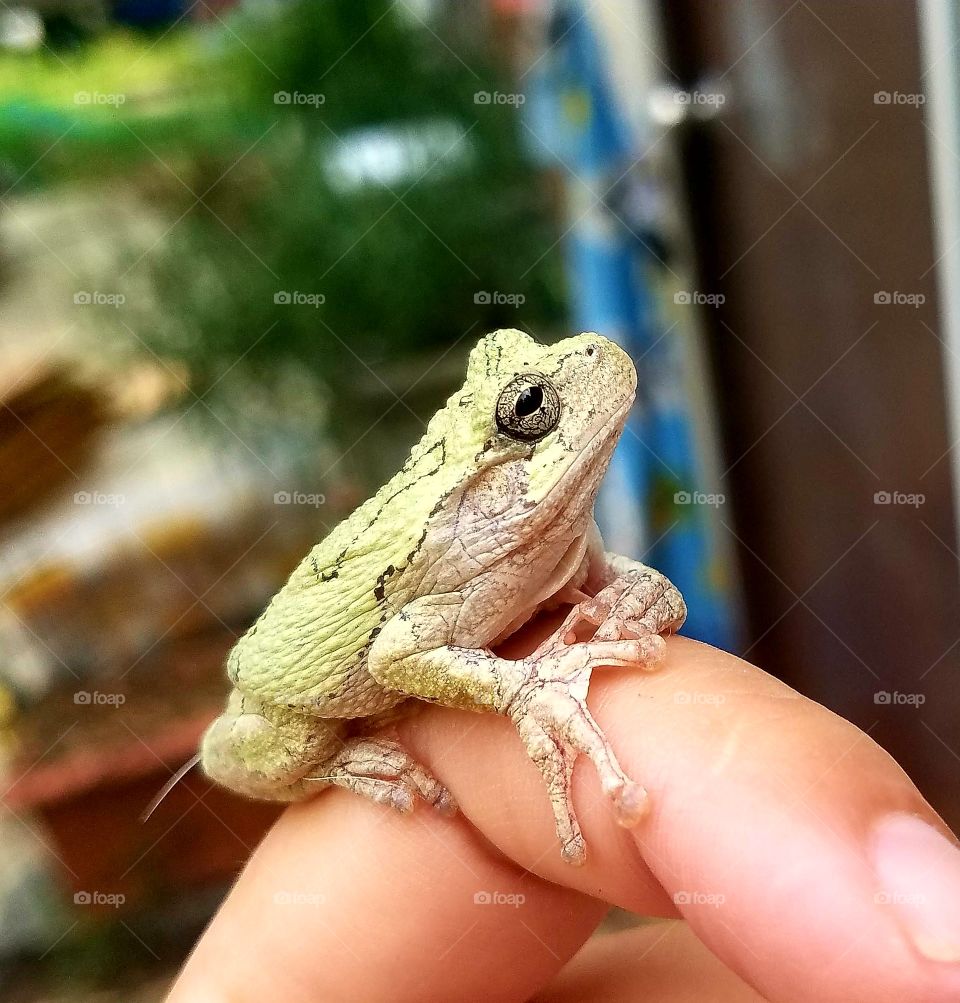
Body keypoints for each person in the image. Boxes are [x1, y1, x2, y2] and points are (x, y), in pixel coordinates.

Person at [166, 611, 960, 1002]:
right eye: (531, 414)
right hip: (285, 706)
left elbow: (649, 599)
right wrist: (521, 686)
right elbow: (397, 651)